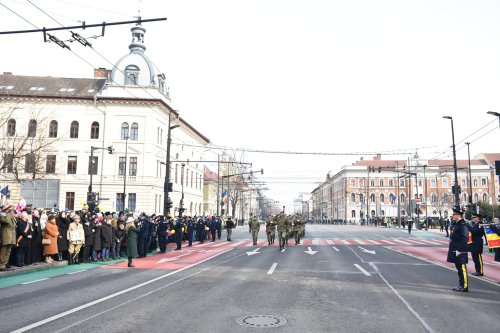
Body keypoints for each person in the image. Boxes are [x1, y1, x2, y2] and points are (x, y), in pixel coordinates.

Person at [446, 208, 469, 292]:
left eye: (454, 214)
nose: (453, 216)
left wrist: (460, 250)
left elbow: (465, 238)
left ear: (458, 215)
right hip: (456, 249)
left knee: (462, 268)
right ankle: (460, 284)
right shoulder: (457, 224)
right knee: (459, 268)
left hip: (460, 251)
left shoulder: (462, 225)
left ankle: (464, 286)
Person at [0, 204, 16, 271]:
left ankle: (4, 264)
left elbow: (13, 225)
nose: (10, 210)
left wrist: (10, 215)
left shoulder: (9, 216)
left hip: (11, 236)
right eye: (9, 209)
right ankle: (0, 265)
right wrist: (7, 214)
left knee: (8, 251)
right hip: (6, 236)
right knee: (3, 251)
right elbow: (6, 222)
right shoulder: (2, 215)